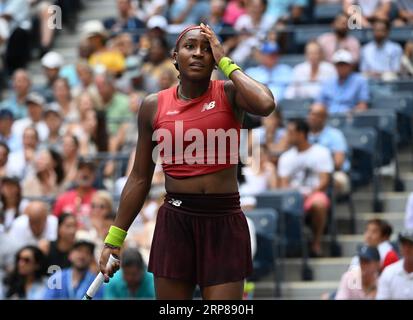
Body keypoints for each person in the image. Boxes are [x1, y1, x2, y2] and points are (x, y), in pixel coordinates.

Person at [99, 23, 275, 300]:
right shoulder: (153, 106)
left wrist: (226, 60)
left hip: (224, 221)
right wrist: (115, 239)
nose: (198, 54)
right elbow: (140, 178)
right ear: (175, 57)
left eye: (206, 49)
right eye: (190, 47)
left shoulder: (230, 93)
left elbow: (265, 103)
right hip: (176, 221)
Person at [278, 118, 334, 256]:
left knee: (319, 203)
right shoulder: (285, 157)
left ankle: (316, 242)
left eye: (291, 132)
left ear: (302, 134)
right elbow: (283, 184)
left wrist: (309, 194)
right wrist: (295, 195)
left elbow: (325, 180)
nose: (287, 136)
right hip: (292, 196)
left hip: (314, 193)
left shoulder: (321, 152)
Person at [307, 103, 350, 194]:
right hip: (308, 172)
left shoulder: (335, 135)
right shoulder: (303, 135)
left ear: (324, 118)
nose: (312, 117)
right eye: (311, 114)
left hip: (334, 173)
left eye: (317, 115)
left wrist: (322, 170)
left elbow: (338, 163)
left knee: (337, 180)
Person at [317, 49, 369, 114]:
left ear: (350, 66)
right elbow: (319, 103)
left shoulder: (360, 81)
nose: (341, 68)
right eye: (339, 65)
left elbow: (363, 105)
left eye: (344, 64)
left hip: (351, 118)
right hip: (328, 117)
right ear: (335, 66)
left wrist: (353, 112)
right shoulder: (328, 82)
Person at [53, 160, 97, 229]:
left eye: (89, 170)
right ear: (76, 174)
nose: (85, 173)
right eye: (81, 169)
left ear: (94, 176)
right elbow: (55, 221)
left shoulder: (99, 198)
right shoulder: (63, 198)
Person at [376, 229, 413, 299]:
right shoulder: (388, 272)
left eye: (411, 245)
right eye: (404, 244)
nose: (407, 248)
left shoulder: (389, 272)